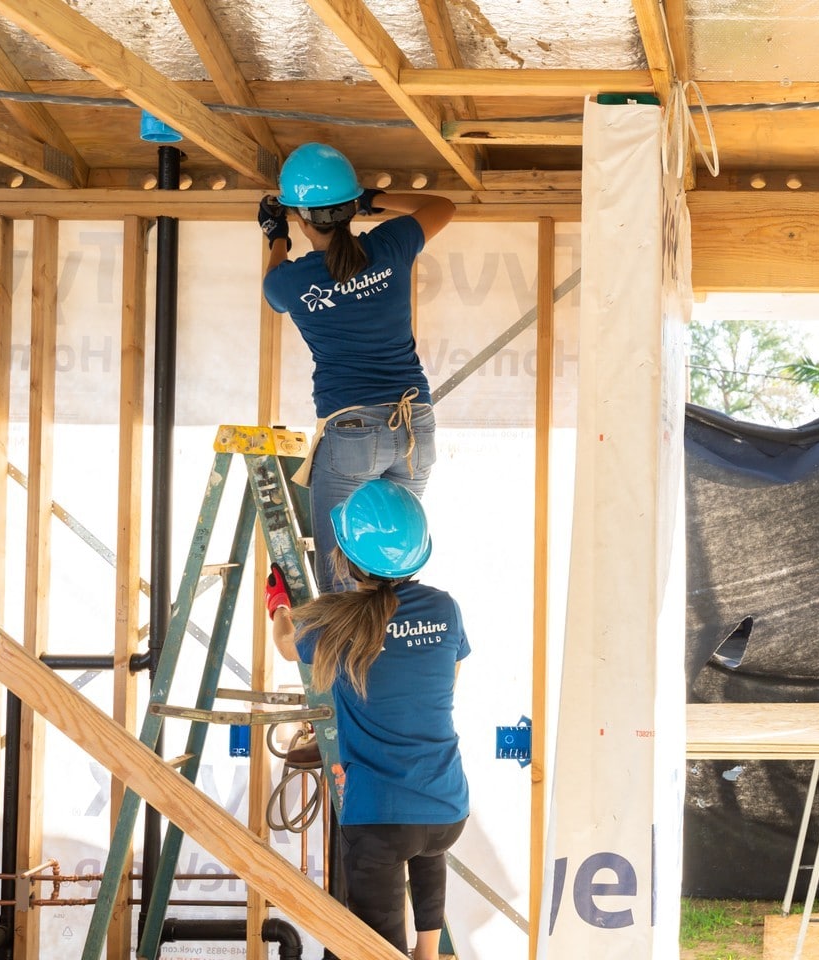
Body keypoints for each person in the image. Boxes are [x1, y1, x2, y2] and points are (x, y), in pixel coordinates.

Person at [265, 479, 469, 960]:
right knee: (427, 854)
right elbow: (446, 684)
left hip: (381, 820)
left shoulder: (333, 620)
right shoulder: (446, 608)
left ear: (348, 558)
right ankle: (428, 953)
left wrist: (278, 603)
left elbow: (285, 642)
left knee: (376, 951)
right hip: (447, 809)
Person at [260, 141, 455, 592]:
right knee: (391, 564)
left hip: (354, 433)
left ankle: (347, 662)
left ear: (300, 216)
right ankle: (397, 652)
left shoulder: (294, 280)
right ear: (349, 208)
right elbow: (441, 206)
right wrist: (372, 199)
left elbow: (272, 284)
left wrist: (276, 235)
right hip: (413, 425)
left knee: (339, 583)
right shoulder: (390, 243)